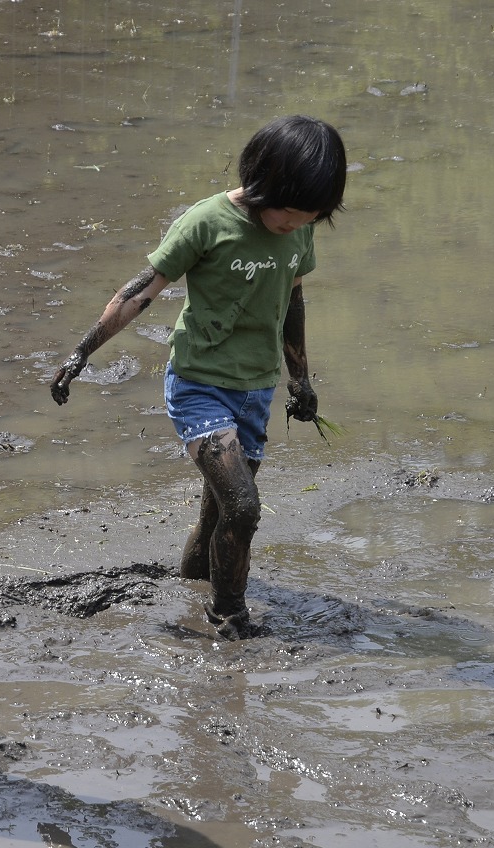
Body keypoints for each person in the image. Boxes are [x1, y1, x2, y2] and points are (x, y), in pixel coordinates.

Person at [50, 115, 347, 641]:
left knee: (219, 514)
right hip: (199, 385)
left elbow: (293, 303)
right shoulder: (206, 222)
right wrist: (82, 352)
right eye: (288, 215)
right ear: (263, 183)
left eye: (309, 219)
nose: (294, 226)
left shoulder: (297, 237)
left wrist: (300, 379)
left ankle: (191, 584)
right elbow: (142, 290)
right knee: (244, 505)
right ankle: (228, 616)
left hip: (255, 389)